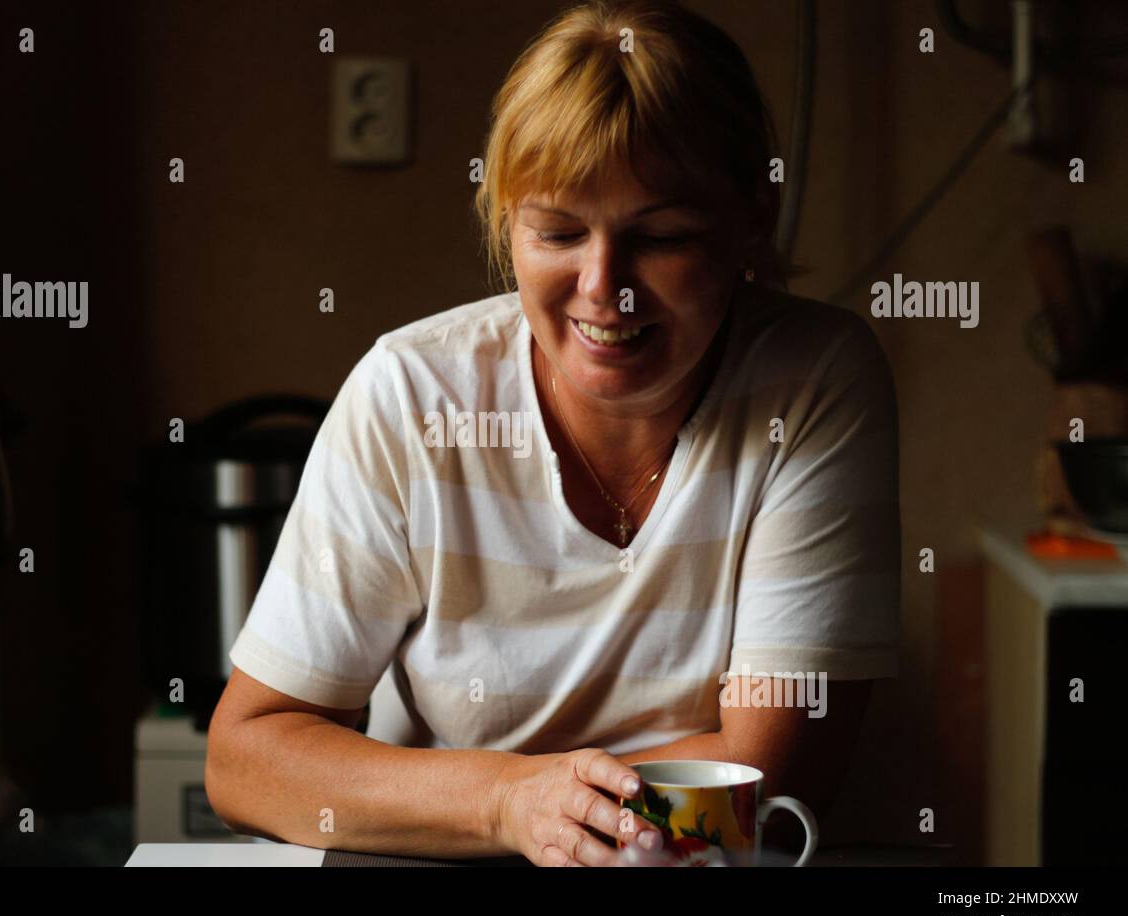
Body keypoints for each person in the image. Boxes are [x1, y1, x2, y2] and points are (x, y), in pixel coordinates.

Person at [206, 0, 900, 867]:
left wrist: (544, 808)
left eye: (662, 236)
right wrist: (504, 804)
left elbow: (760, 780)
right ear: (505, 222)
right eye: (558, 231)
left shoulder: (813, 381)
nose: (604, 286)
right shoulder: (411, 393)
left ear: (752, 216)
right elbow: (245, 759)